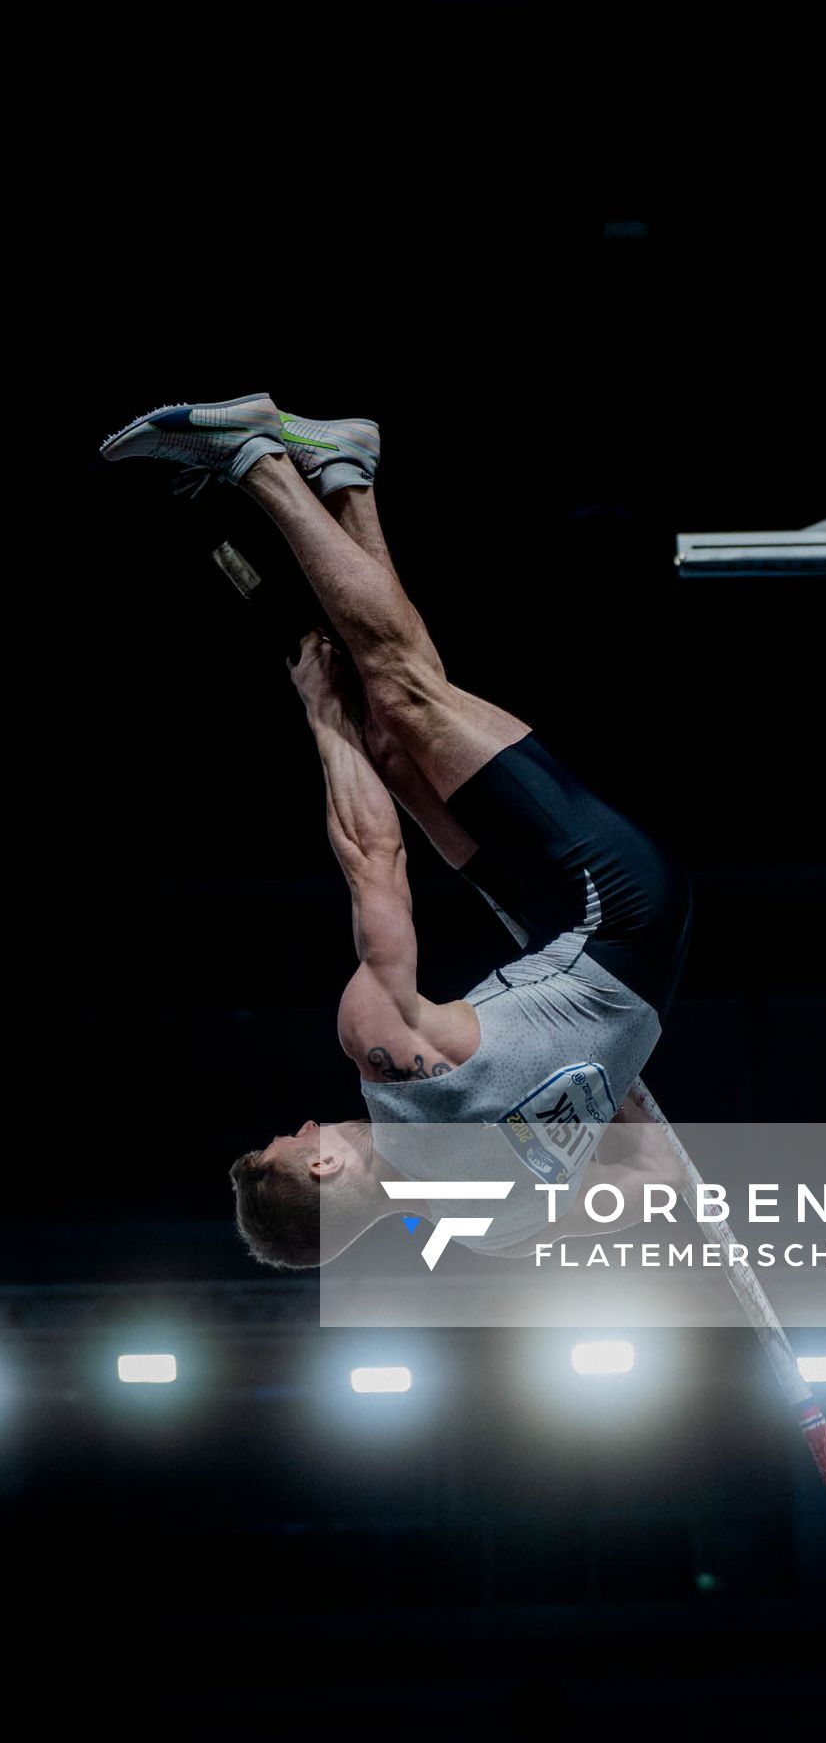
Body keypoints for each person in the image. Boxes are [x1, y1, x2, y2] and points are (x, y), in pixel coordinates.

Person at [100, 393, 693, 1267]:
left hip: (592, 940)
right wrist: (322, 720)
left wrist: (603, 1090)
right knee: (399, 693)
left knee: (399, 738)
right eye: (291, 1140)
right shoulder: (381, 1049)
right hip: (609, 902)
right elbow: (374, 857)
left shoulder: (497, 1230)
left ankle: (348, 475)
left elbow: (661, 1181)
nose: (303, 1121)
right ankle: (257, 461)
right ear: (324, 1161)